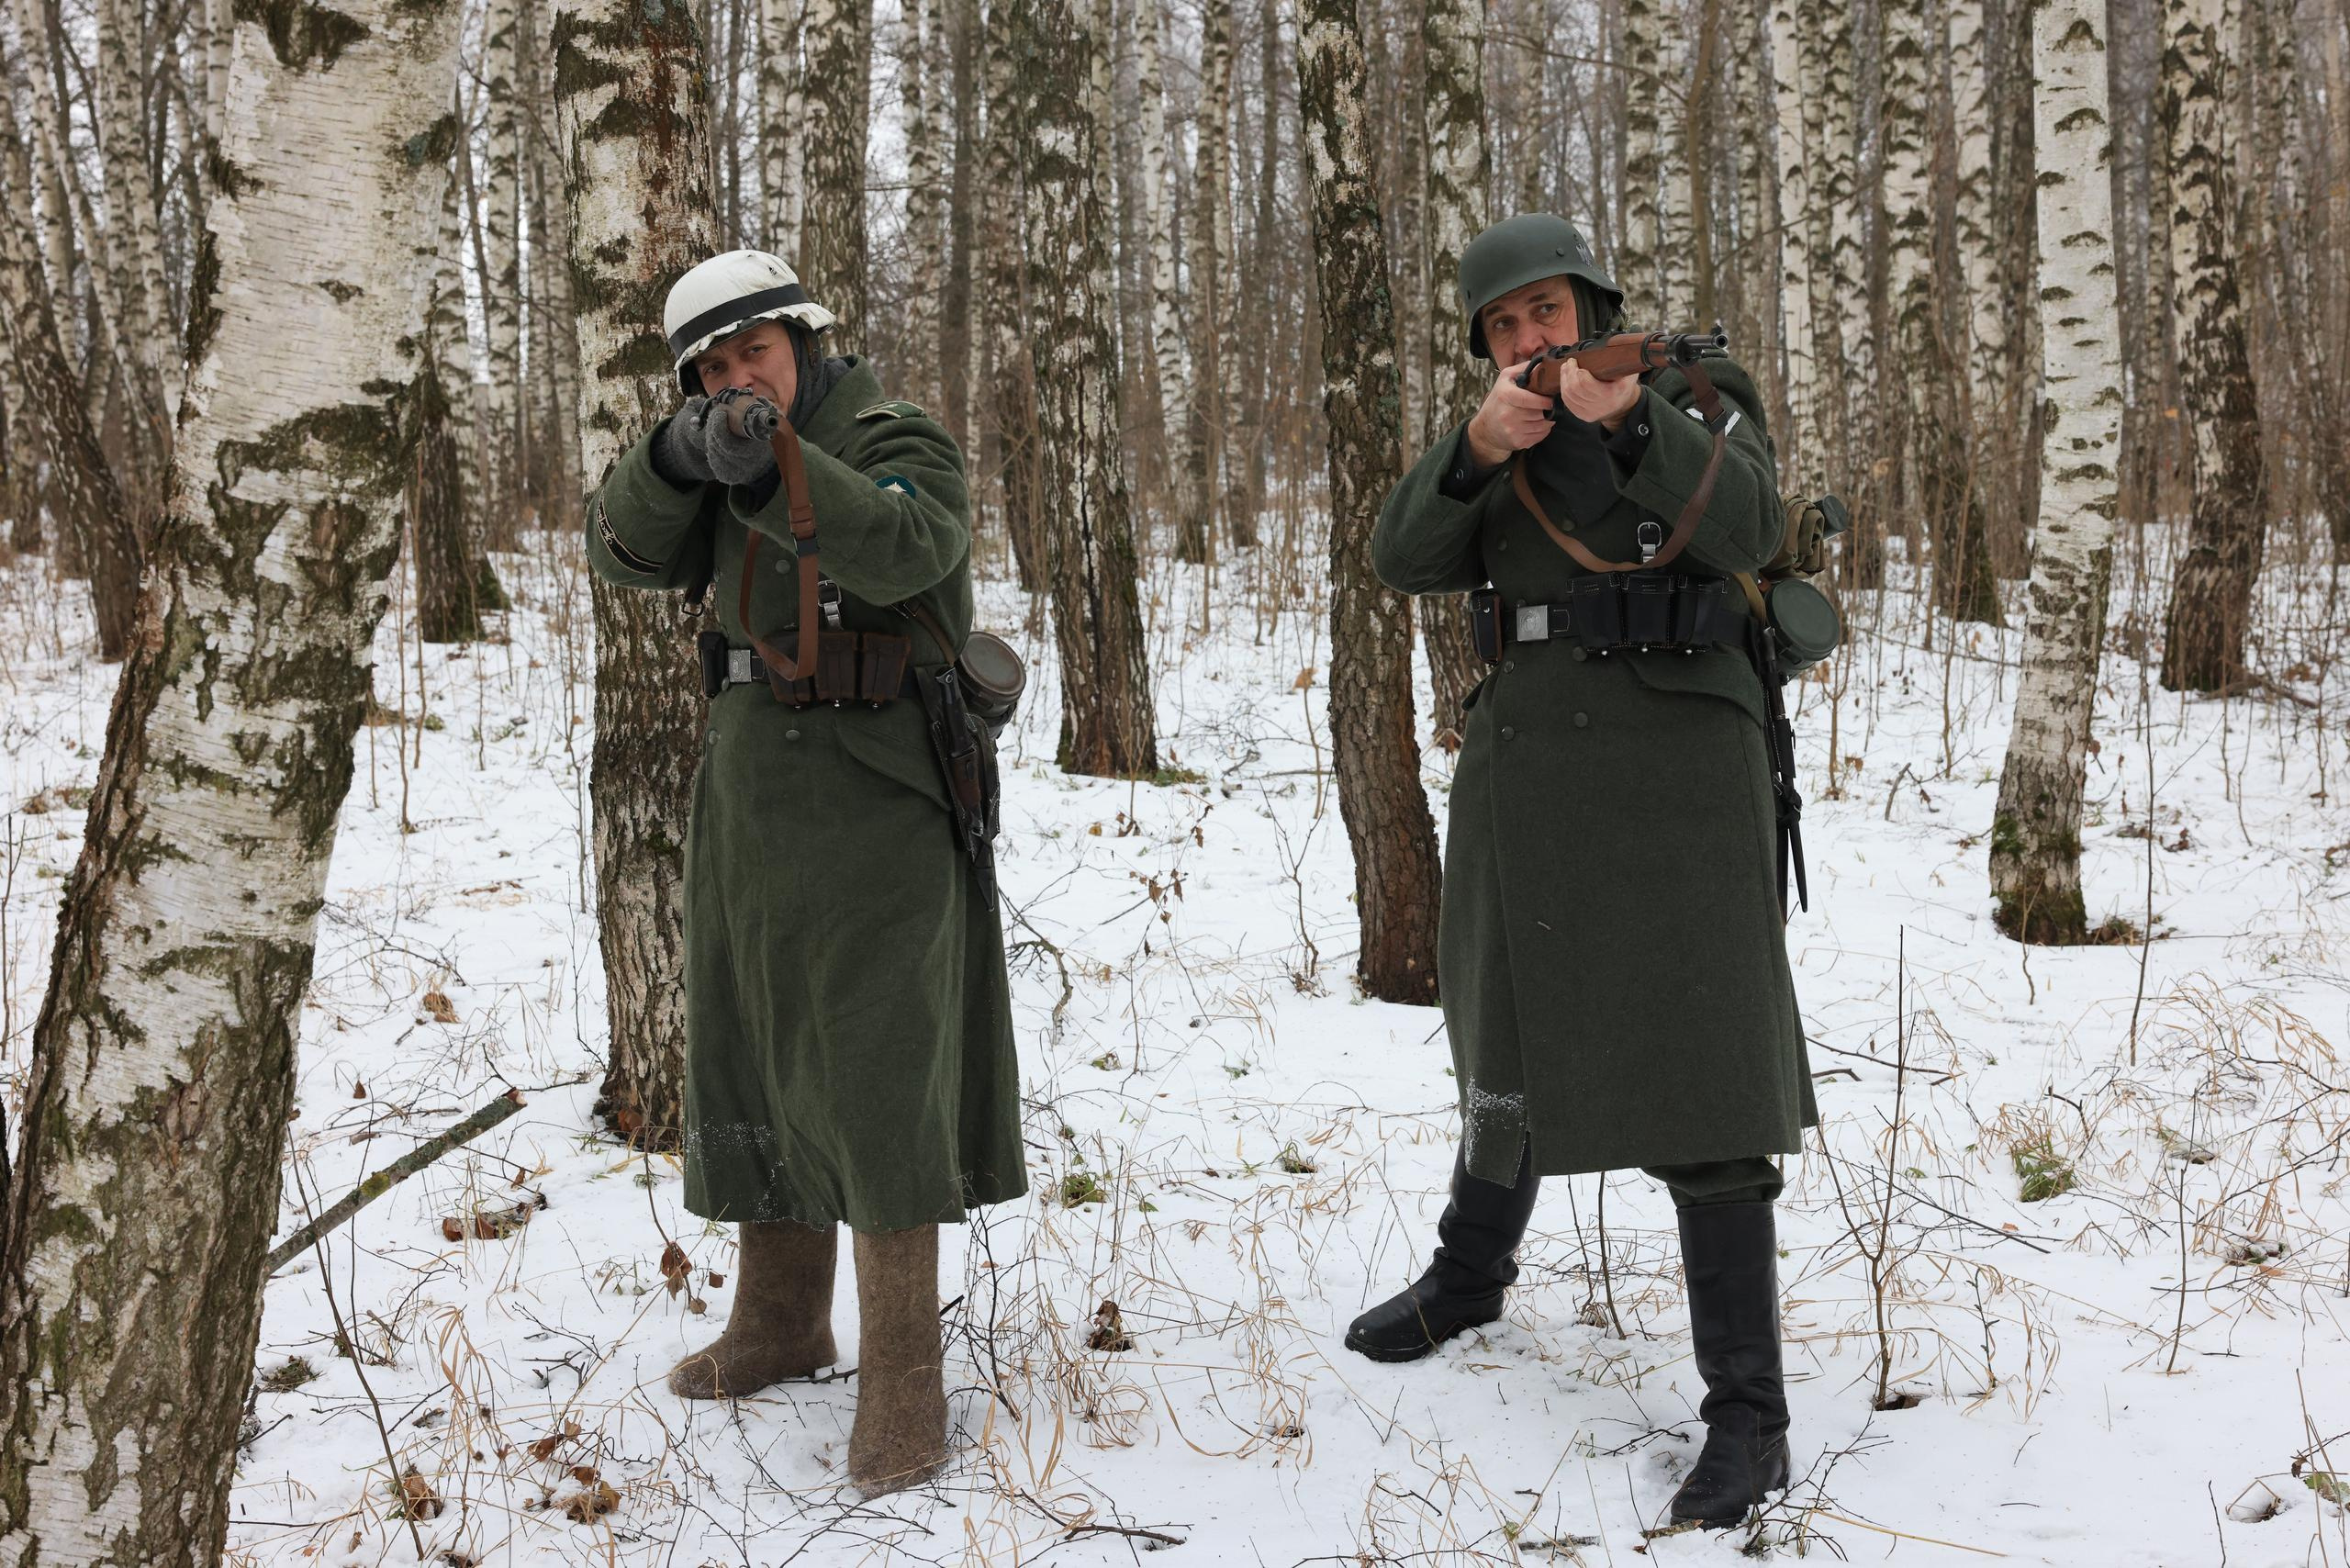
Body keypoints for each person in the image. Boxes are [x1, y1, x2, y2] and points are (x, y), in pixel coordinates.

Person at [1356, 213, 1818, 1530]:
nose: (1529, 339)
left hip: (1682, 755)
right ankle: (1466, 1278)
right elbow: (1400, 559)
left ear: (1593, 305)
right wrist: (1470, 450)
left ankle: (1749, 1413)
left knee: (1708, 1062)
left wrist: (1629, 429)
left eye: (1546, 312)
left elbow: (1748, 524)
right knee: (1512, 1024)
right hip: (1533, 759)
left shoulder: (1696, 395)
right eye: (1503, 325)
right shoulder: (1495, 427)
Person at [582, 250, 1025, 1498]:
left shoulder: (894, 432)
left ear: (805, 341)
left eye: (753, 355)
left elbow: (903, 546)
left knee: (879, 1060)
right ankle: (781, 1318)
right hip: (754, 782)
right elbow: (621, 553)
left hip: (883, 779)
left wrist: (774, 462)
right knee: (760, 1035)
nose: (738, 381)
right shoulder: (714, 456)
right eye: (711, 371)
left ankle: (903, 1378)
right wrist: (677, 459)